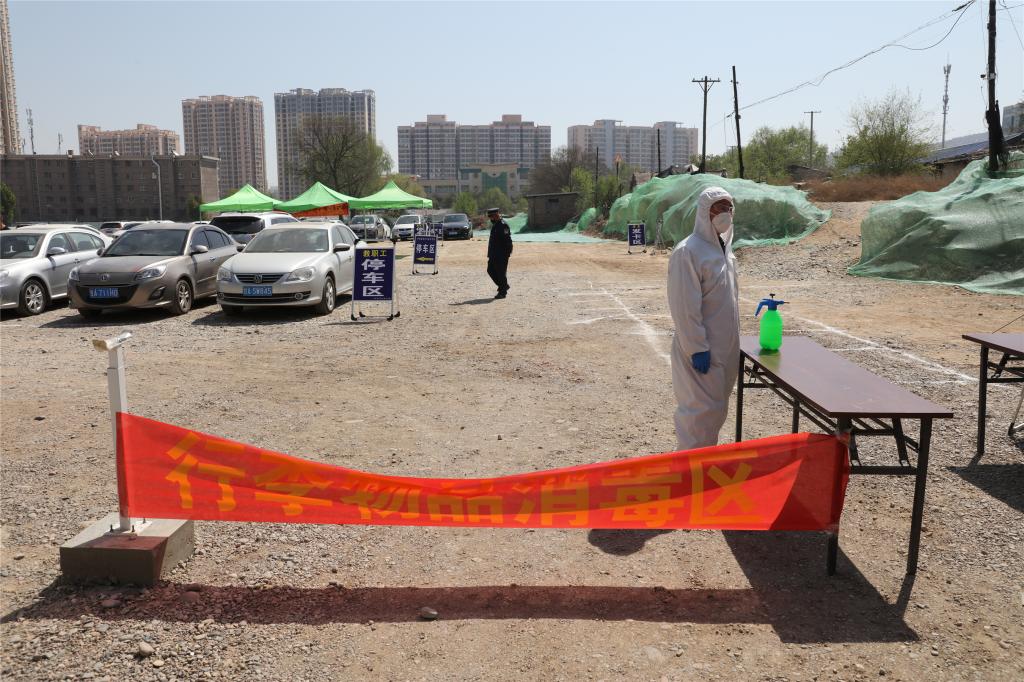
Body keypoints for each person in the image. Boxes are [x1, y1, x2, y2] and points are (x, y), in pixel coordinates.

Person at [667, 186, 739, 451]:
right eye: (718, 208)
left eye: (728, 208)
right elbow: (684, 306)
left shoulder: (725, 252)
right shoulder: (689, 251)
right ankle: (688, 471)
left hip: (723, 352)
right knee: (698, 417)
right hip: (701, 352)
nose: (725, 213)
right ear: (704, 212)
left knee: (714, 414)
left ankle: (703, 470)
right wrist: (697, 347)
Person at [486, 207, 513, 299]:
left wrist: (507, 253)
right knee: (490, 270)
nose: (490, 219)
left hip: (501, 254)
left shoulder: (503, 225)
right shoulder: (496, 225)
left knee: (501, 273)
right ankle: (504, 285)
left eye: (491, 217)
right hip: (494, 254)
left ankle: (502, 292)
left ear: (496, 215)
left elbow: (508, 240)